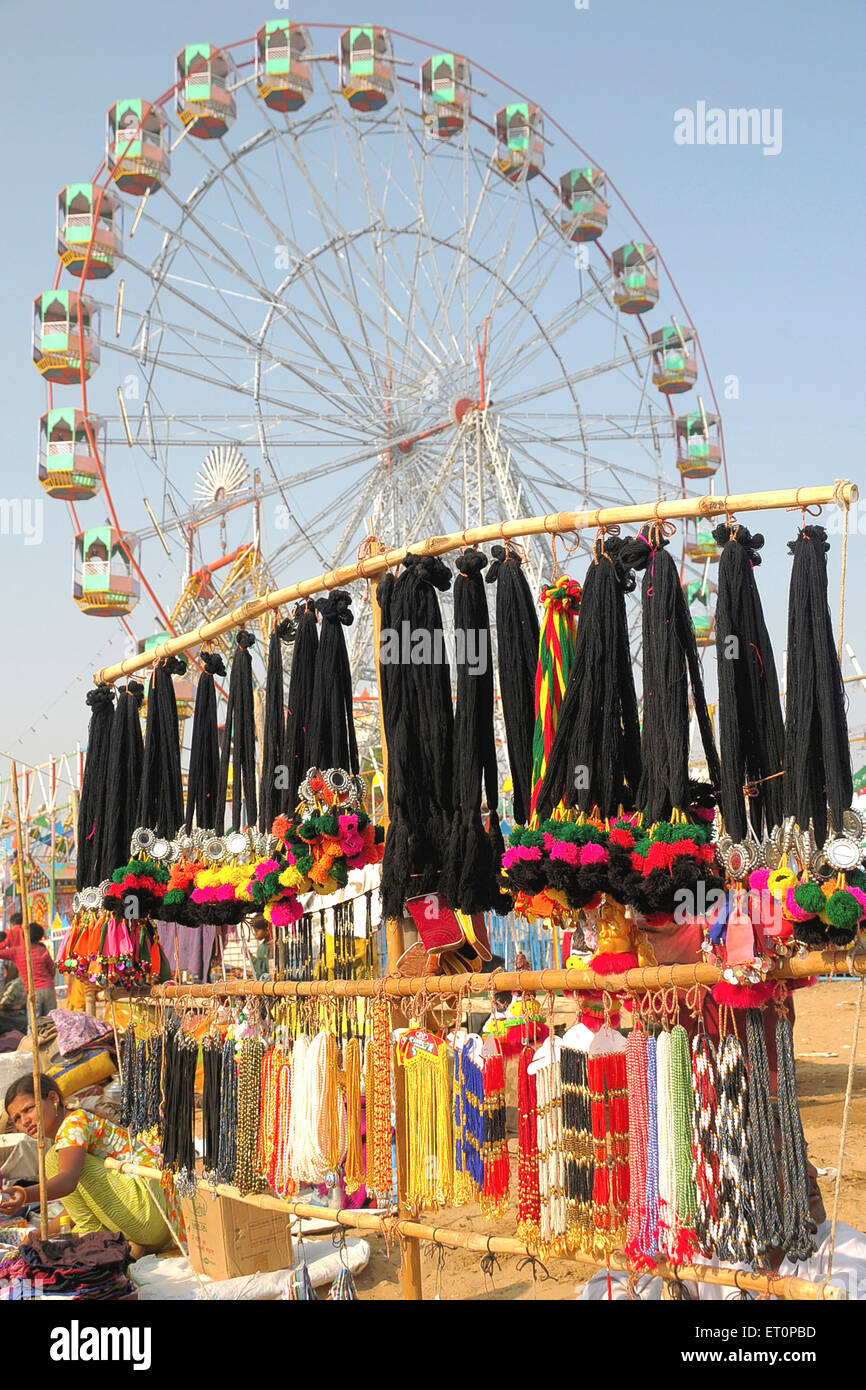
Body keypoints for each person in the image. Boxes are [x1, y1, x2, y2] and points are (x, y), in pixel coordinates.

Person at [1, 1074, 181, 1259]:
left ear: (53, 1099)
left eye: (29, 1109)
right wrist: (35, 1236)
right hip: (154, 1226)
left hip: (149, 1212)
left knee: (53, 1160)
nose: (24, 1121)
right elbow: (77, 1208)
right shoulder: (70, 1132)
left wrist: (23, 1194)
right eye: (16, 1118)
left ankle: (98, 1244)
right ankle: (117, 1245)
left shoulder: (74, 1123)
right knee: (69, 1229)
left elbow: (68, 1182)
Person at [0, 919, 58, 1025]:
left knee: (33, 1025)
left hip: (33, 991)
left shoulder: (16, 951)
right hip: (49, 989)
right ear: (40, 937)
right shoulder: (43, 951)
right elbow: (52, 970)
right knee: (50, 1023)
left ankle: (33, 1041)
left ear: (24, 935)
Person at [0, 962, 27, 1035]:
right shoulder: (32, 982)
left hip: (14, 1019)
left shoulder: (14, 985)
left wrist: (20, 1007)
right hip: (25, 1018)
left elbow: (2, 1006)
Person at [250, 914, 271, 981]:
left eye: (256, 931)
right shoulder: (261, 947)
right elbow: (260, 972)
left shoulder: (274, 947)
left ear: (267, 930)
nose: (254, 933)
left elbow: (267, 969)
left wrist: (252, 958)